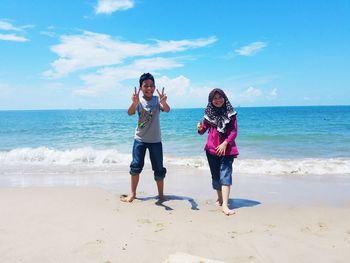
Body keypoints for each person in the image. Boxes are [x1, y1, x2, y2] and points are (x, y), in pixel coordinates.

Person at [121, 73, 170, 203]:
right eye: (145, 86)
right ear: (141, 87)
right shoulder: (138, 101)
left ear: (154, 87)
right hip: (140, 140)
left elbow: (167, 110)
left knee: (159, 169)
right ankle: (133, 194)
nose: (148, 88)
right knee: (135, 166)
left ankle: (161, 195)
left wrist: (164, 102)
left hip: (155, 141)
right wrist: (134, 103)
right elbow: (130, 113)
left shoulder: (157, 101)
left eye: (151, 86)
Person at [197, 88, 238, 215]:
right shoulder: (209, 113)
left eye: (220, 97)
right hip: (211, 149)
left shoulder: (230, 113)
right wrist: (199, 127)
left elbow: (234, 131)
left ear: (224, 98)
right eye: (215, 98)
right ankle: (220, 198)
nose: (218, 100)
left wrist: (225, 143)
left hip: (227, 150)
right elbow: (203, 130)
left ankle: (225, 205)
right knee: (216, 176)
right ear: (211, 100)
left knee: (225, 175)